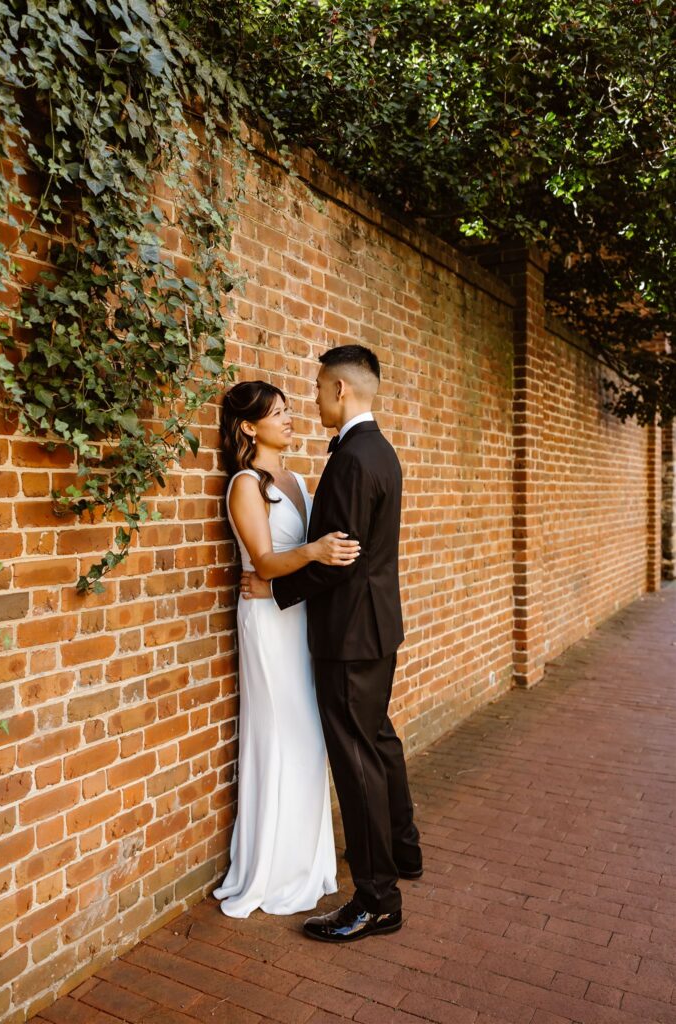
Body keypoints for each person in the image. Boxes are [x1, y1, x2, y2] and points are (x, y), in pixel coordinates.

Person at [241, 345, 422, 943]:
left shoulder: (350, 460)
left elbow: (340, 557)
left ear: (341, 392)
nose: (313, 400)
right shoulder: (381, 451)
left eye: (318, 390)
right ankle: (404, 851)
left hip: (348, 633)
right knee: (377, 740)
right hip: (377, 627)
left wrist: (276, 587)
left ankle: (376, 899)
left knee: (356, 759)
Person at [213, 380, 361, 917]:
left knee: (310, 736)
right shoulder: (244, 486)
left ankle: (307, 862)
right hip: (267, 622)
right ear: (250, 427)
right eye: (278, 414)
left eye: (290, 410)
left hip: (299, 617)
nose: (291, 419)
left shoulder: (300, 480)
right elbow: (264, 563)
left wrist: (316, 554)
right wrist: (316, 550)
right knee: (280, 733)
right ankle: (270, 871)